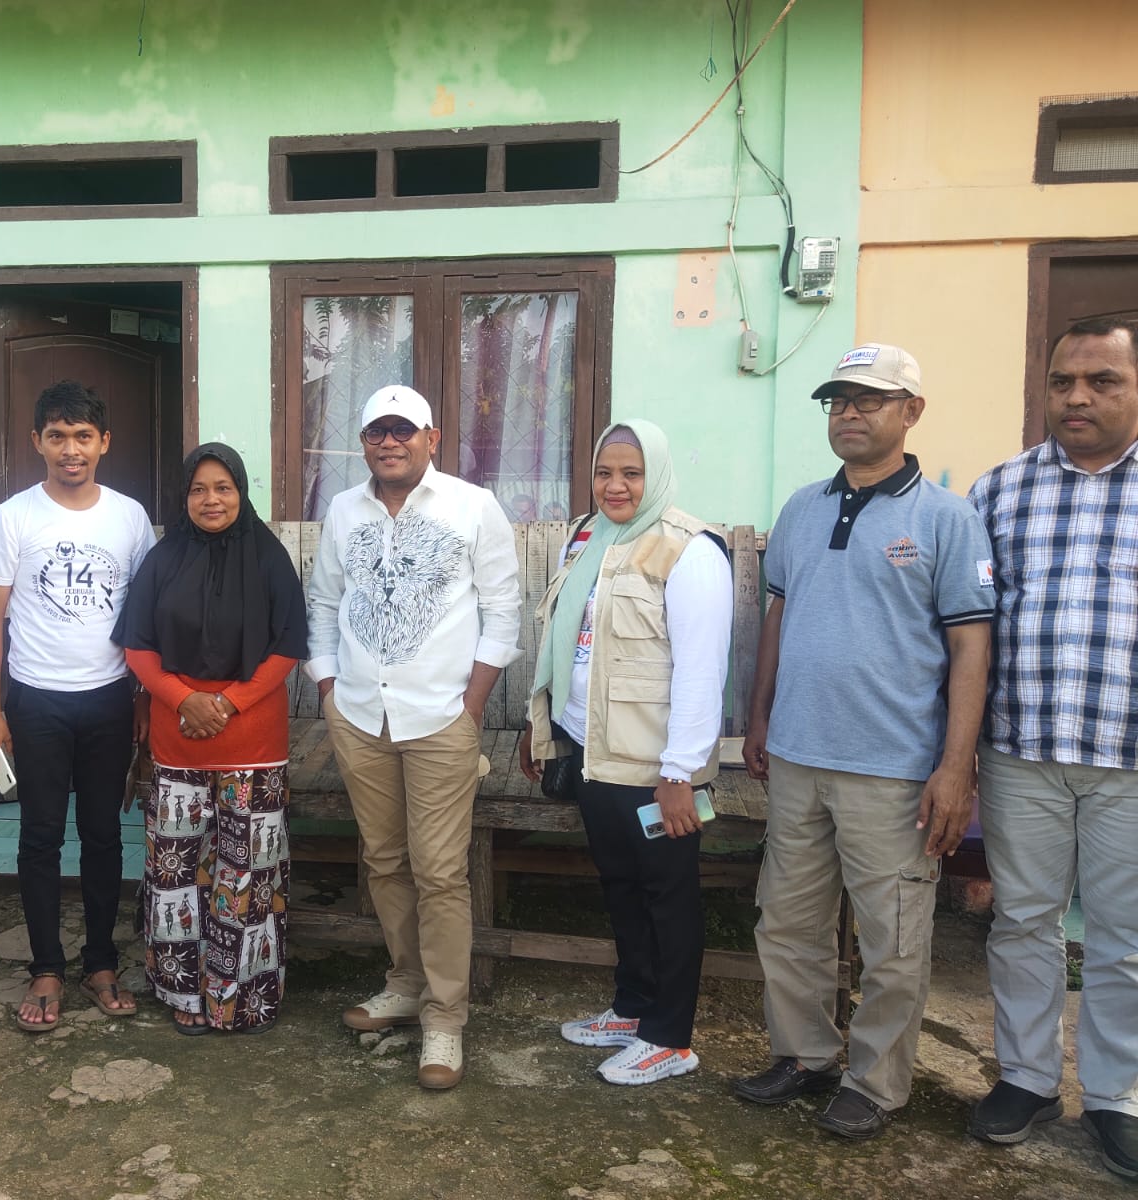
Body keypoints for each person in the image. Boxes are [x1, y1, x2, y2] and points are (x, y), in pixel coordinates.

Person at [733, 344, 995, 1140]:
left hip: (892, 768)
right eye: (838, 400)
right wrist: (760, 715)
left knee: (892, 938)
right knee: (788, 921)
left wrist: (956, 767)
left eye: (869, 399)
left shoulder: (947, 519)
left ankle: (876, 1084)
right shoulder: (804, 508)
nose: (849, 412)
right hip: (800, 757)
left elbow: (971, 648)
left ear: (911, 412)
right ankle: (804, 1054)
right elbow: (780, 614)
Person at [306, 384, 520, 1089]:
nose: (389, 442)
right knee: (386, 859)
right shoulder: (343, 509)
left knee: (439, 870)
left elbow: (502, 611)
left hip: (439, 719)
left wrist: (472, 705)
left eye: (403, 430)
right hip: (362, 715)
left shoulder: (470, 506)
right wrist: (330, 686)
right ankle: (404, 985)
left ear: (432, 436)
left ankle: (445, 1019)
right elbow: (327, 600)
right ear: (363, 441)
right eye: (376, 431)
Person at [965, 315, 1138, 1182]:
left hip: (1129, 758)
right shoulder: (1000, 493)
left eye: (1102, 380)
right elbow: (964, 627)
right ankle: (1028, 1078)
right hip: (1022, 748)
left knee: (1125, 938)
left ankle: (1117, 1096)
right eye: (1064, 380)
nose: (1077, 396)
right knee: (1023, 921)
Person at [520, 420, 732, 1085]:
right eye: (605, 472)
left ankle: (670, 1037)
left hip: (655, 767)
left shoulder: (688, 550)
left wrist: (678, 774)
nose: (615, 486)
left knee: (667, 894)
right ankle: (633, 1008)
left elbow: (701, 671)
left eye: (631, 474)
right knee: (620, 885)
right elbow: (563, 643)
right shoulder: (586, 539)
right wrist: (545, 730)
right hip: (592, 751)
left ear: (656, 475)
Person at [0, 381, 154, 1029]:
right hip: (35, 702)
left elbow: (144, 618)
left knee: (104, 835)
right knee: (41, 836)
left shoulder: (129, 518)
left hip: (109, 701)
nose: (70, 450)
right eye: (56, 437)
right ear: (37, 443)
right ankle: (46, 966)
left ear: (104, 442)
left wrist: (142, 699)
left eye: (82, 437)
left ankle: (101, 961)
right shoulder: (12, 517)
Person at [115, 442, 308, 1034]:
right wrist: (183, 699)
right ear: (184, 497)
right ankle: (184, 997)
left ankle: (238, 1000)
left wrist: (226, 702)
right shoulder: (163, 558)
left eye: (223, 487)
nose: (211, 499)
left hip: (252, 744)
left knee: (243, 878)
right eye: (198, 489)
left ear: (241, 493)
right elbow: (138, 645)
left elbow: (287, 646)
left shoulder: (270, 558)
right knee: (178, 876)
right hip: (179, 742)